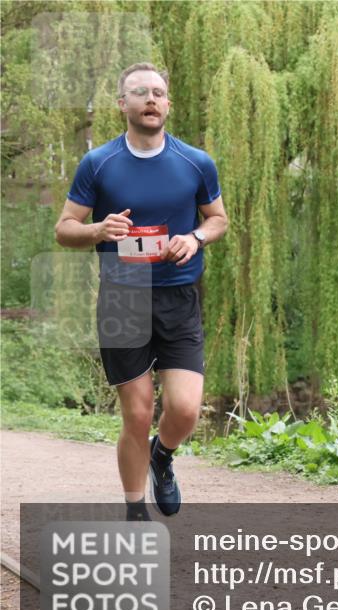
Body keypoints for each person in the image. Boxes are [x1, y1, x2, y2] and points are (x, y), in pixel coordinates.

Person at [55, 63, 228, 521]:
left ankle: (162, 455)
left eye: (158, 92)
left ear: (168, 103)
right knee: (136, 414)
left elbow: (218, 219)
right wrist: (97, 229)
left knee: (185, 410)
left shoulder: (196, 162)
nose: (150, 99)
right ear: (122, 104)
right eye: (140, 92)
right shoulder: (98, 163)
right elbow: (64, 229)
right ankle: (135, 509)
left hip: (178, 297)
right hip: (122, 298)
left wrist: (195, 238)